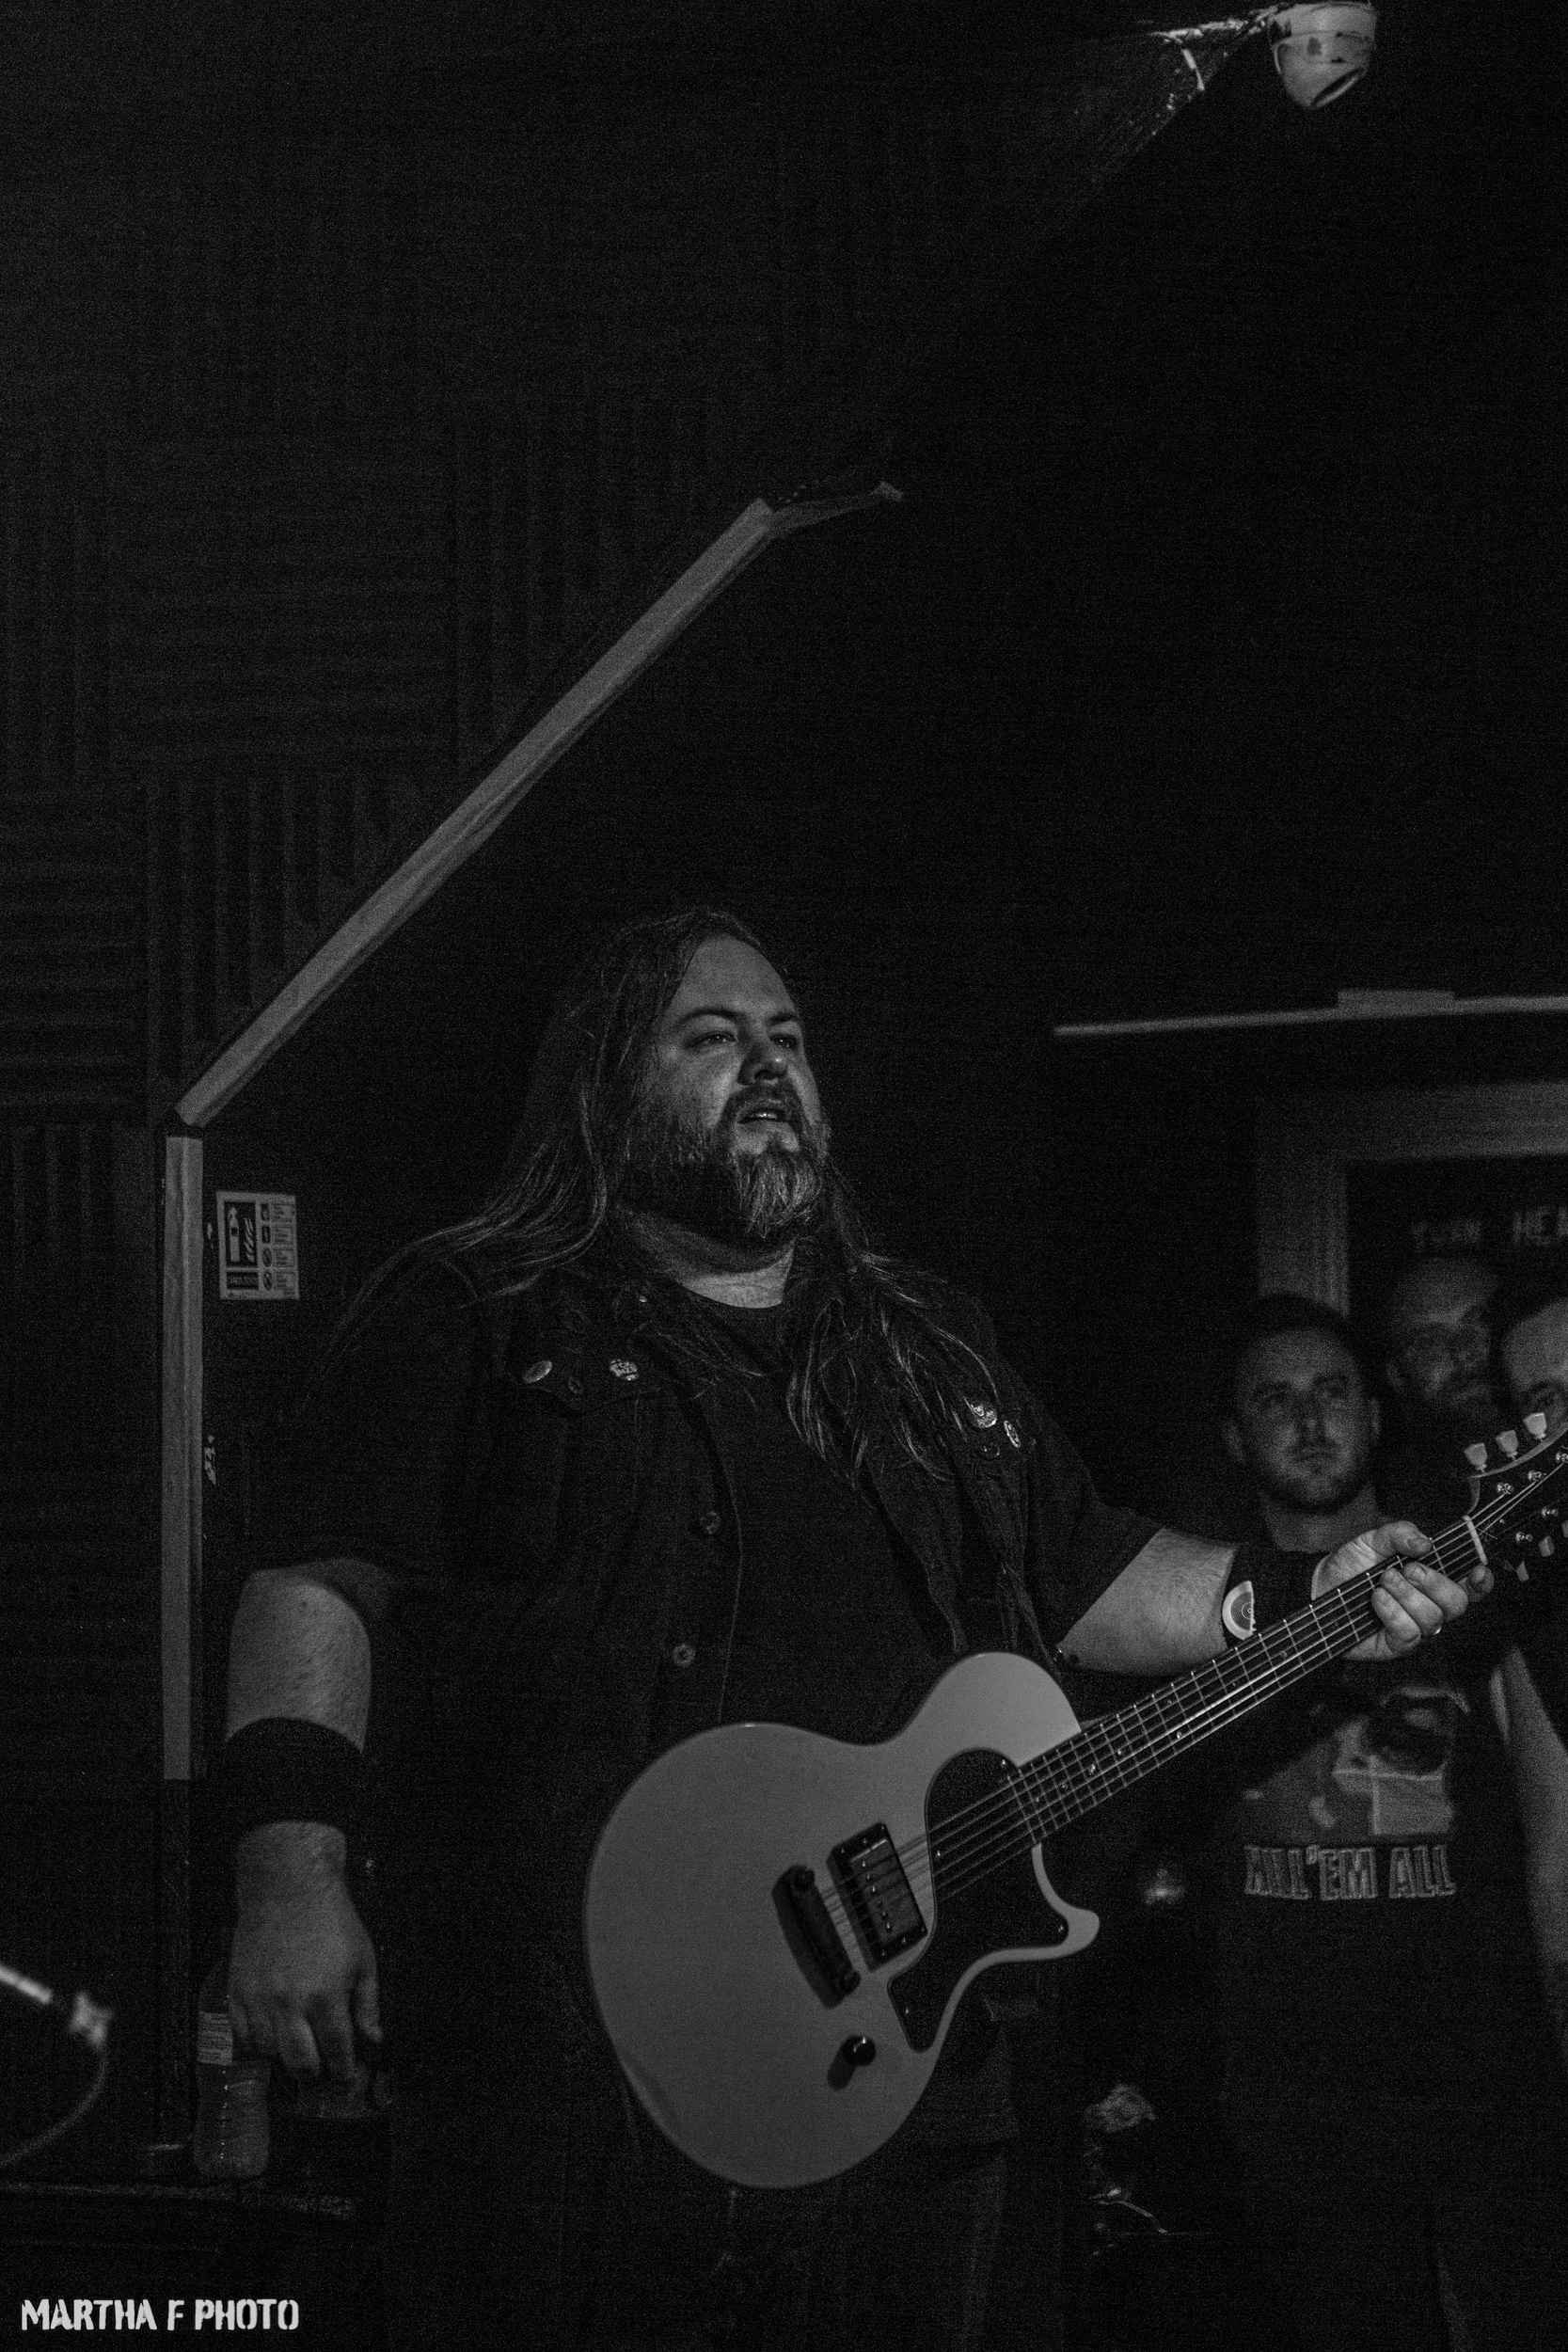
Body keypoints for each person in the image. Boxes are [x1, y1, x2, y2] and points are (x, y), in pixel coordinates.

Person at [221, 913, 1479, 2352]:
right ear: (601, 1088)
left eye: (788, 1040)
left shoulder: (919, 1342)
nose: (766, 1066)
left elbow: (1086, 1571)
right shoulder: (482, 1308)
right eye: (710, 1038)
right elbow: (315, 1587)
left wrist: (1306, 1591)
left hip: (896, 2052)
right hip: (578, 2066)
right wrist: (287, 1881)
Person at [1196, 1291, 1568, 2352]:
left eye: (1330, 1392)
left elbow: (1552, 1839)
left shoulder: (1474, 1590)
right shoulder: (1197, 1624)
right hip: (1293, 2109)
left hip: (1482, 2086)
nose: (1308, 1420)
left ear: (1371, 1412)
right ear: (1234, 1436)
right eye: (1274, 1401)